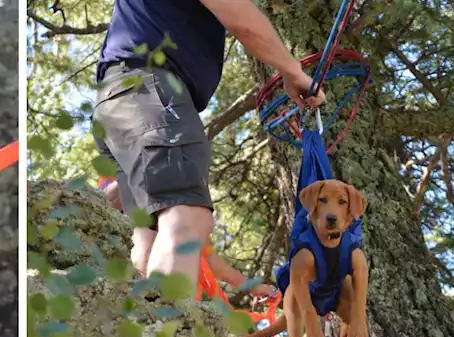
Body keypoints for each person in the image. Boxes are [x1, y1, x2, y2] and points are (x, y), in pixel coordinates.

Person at [93, 0, 325, 300]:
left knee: (148, 236)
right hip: (148, 88)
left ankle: (141, 336)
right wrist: (292, 71)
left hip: (122, 100)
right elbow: (241, 18)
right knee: (186, 215)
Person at [99, 177, 277, 304]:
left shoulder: (180, 215)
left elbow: (209, 257)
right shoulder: (119, 194)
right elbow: (105, 201)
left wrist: (251, 285)